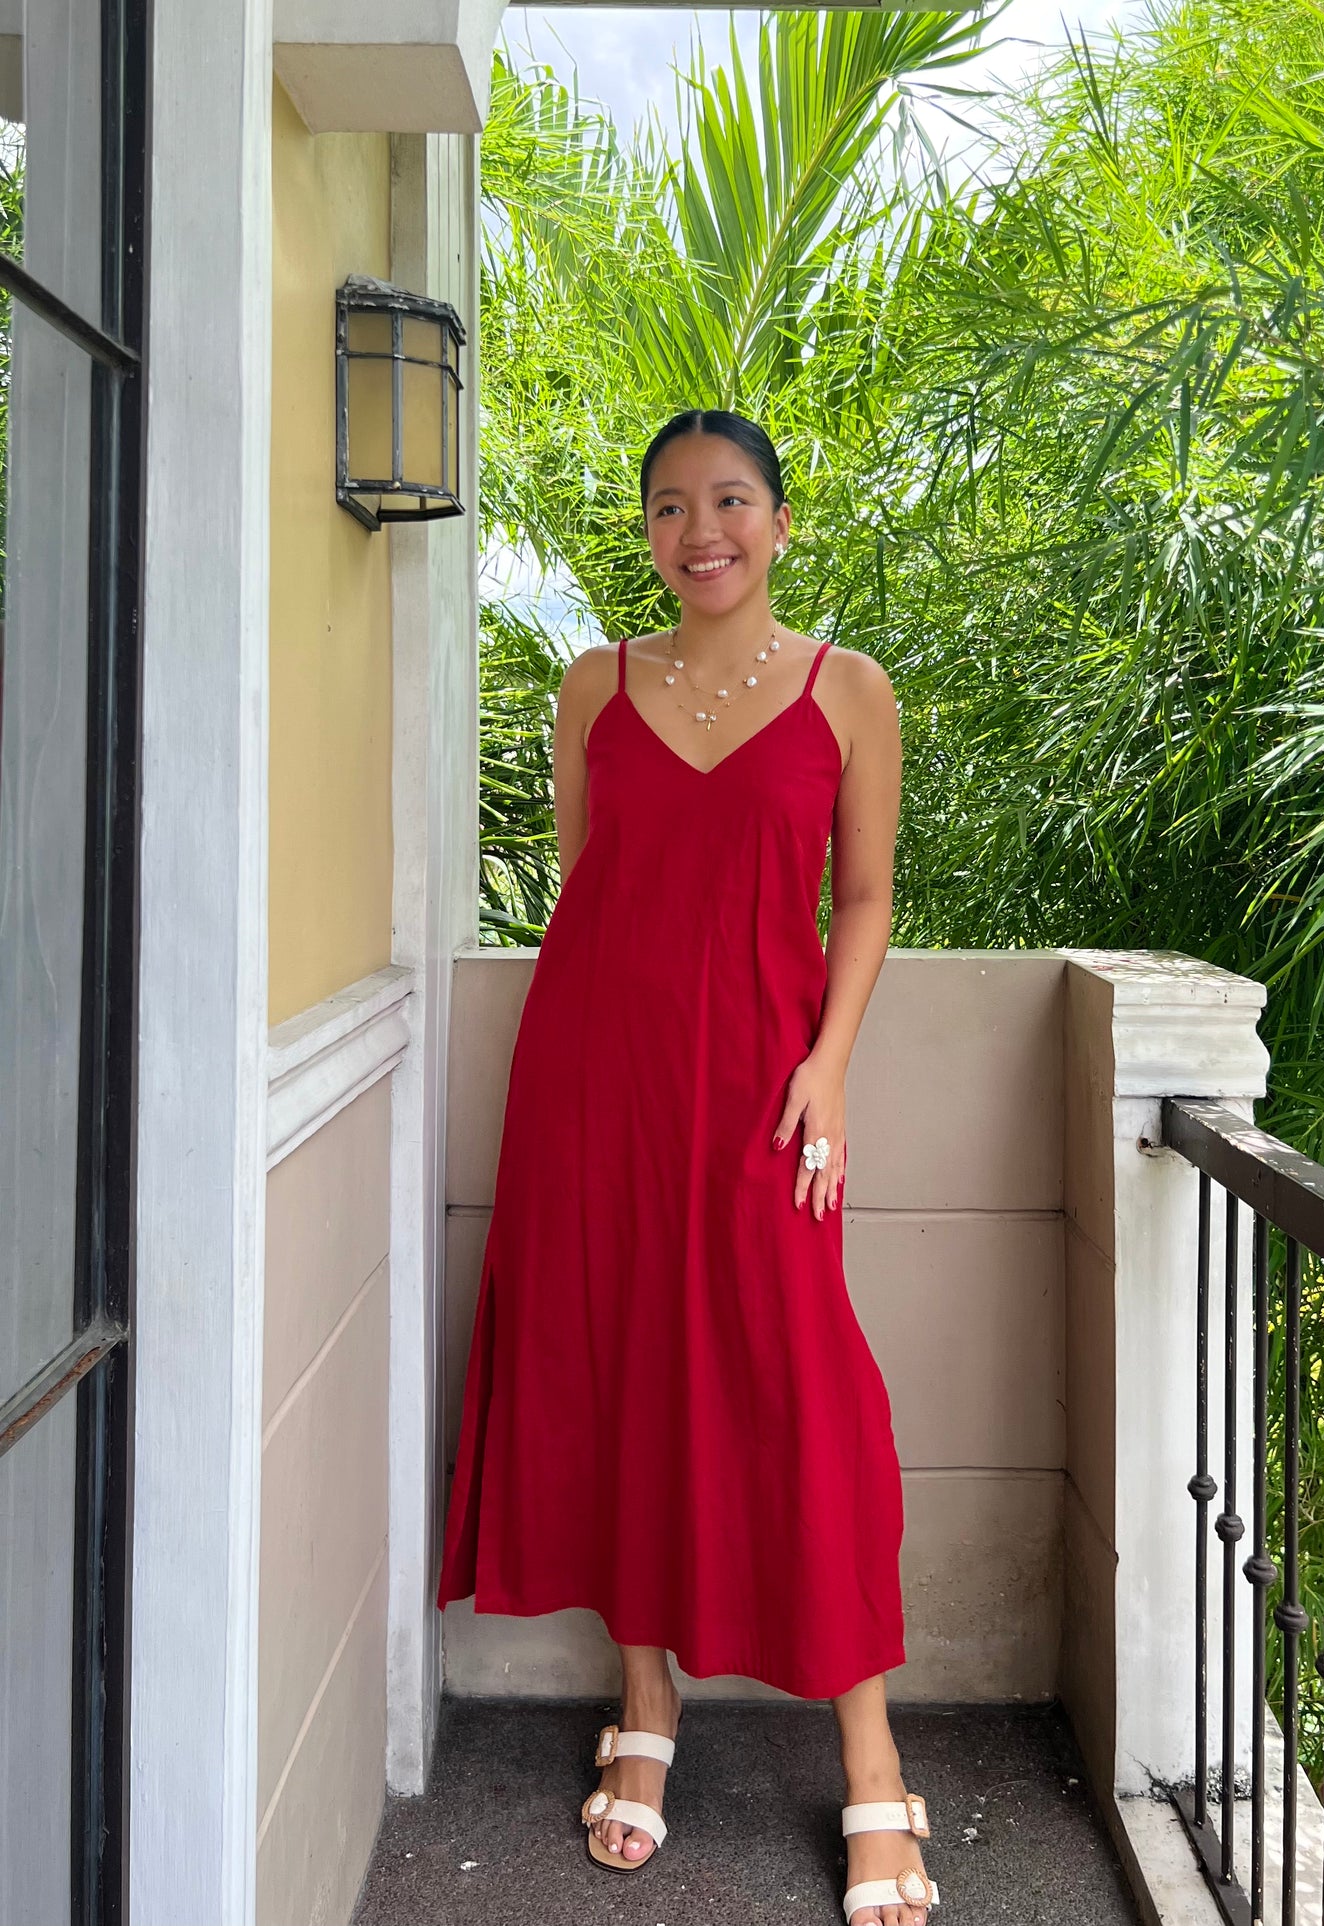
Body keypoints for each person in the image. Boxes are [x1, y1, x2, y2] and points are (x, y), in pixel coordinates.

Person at [438, 408, 939, 1926]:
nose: (697, 528)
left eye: (728, 500)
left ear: (780, 523)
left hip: (764, 1096)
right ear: (647, 534)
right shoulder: (593, 682)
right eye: (668, 507)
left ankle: (871, 1754)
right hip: (591, 1084)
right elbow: (590, 887)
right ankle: (641, 1702)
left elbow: (861, 896)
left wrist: (828, 1067)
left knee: (801, 1389)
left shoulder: (850, 691)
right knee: (609, 1371)